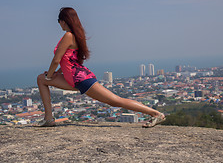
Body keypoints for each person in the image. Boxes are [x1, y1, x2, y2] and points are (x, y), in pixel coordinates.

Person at [36, 7, 165, 127]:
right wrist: (56, 74)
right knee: (41, 79)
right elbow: (68, 60)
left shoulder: (68, 36)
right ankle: (49, 119)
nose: (59, 24)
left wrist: (50, 75)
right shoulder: (75, 36)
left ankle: (155, 114)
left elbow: (56, 60)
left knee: (115, 101)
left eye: (59, 20)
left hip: (81, 79)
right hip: (74, 78)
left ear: (64, 21)